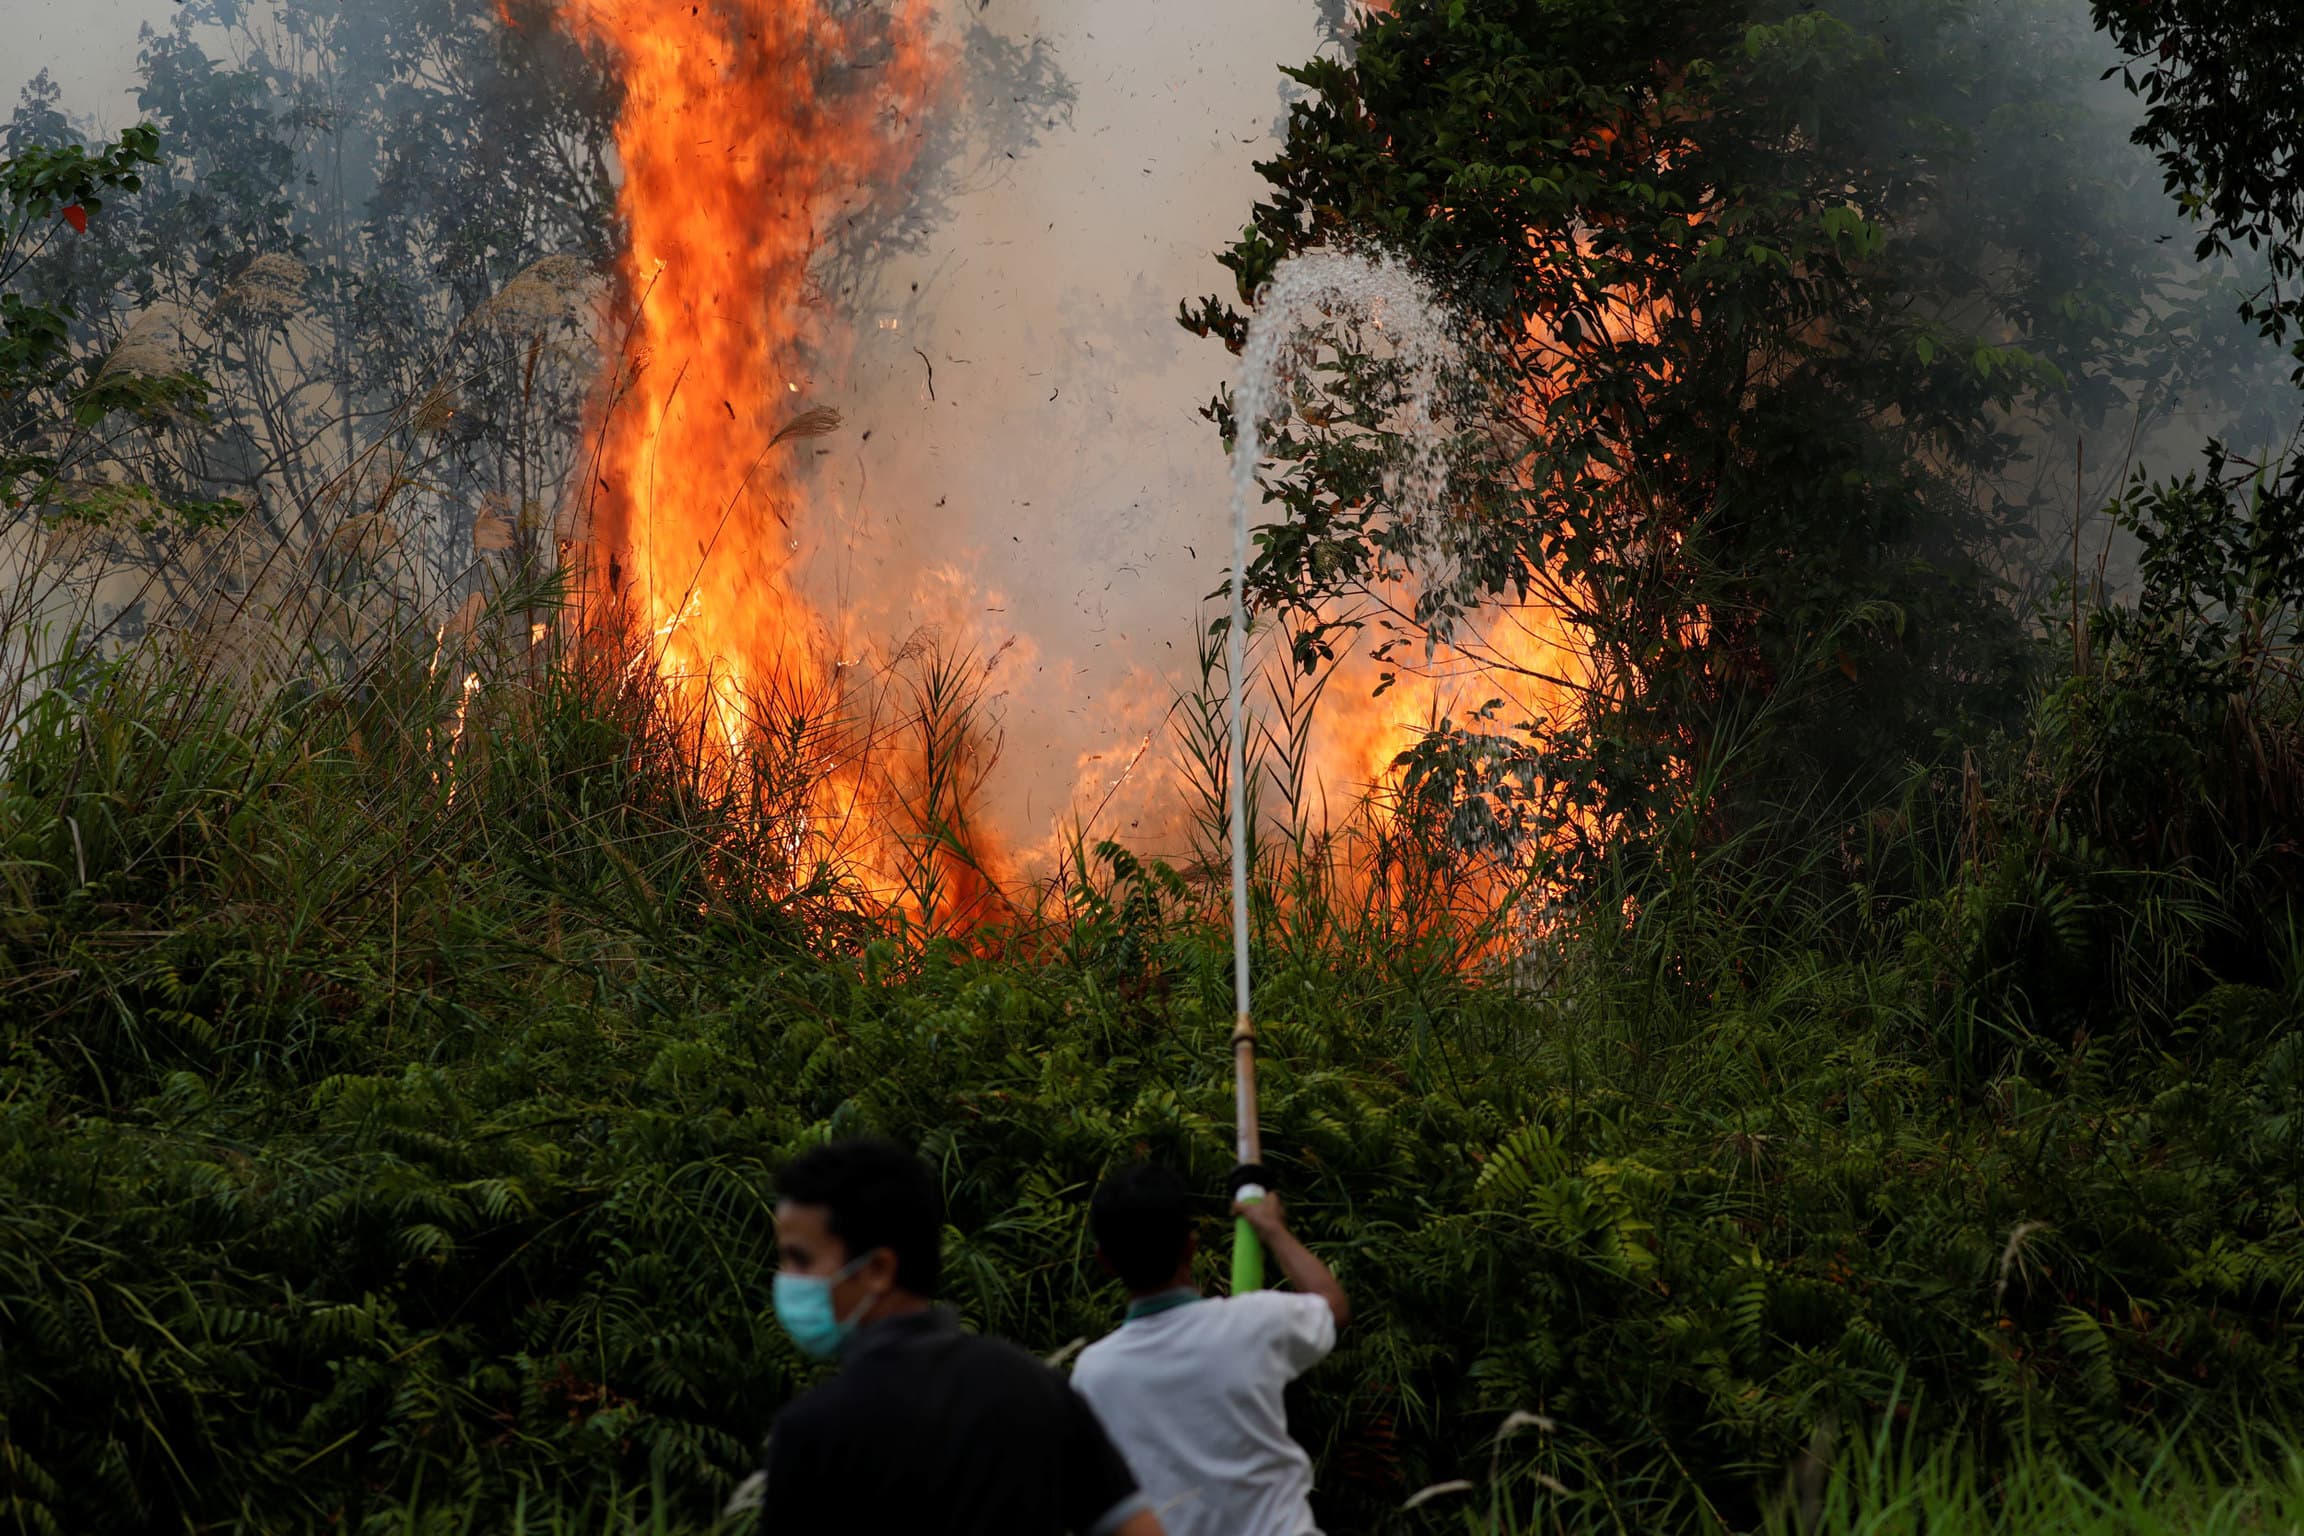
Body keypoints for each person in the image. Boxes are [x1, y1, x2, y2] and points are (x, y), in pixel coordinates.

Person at [727, 1136, 1163, 1536]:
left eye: (800, 1260)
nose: (786, 1280)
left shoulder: (814, 1431)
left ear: (878, 1270)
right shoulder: (1032, 1387)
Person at [1070, 1164, 1351, 1536]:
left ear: (1104, 1261)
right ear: (1190, 1245)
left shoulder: (1091, 1375)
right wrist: (1273, 1229)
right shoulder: (1255, 1323)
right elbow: (1332, 1305)